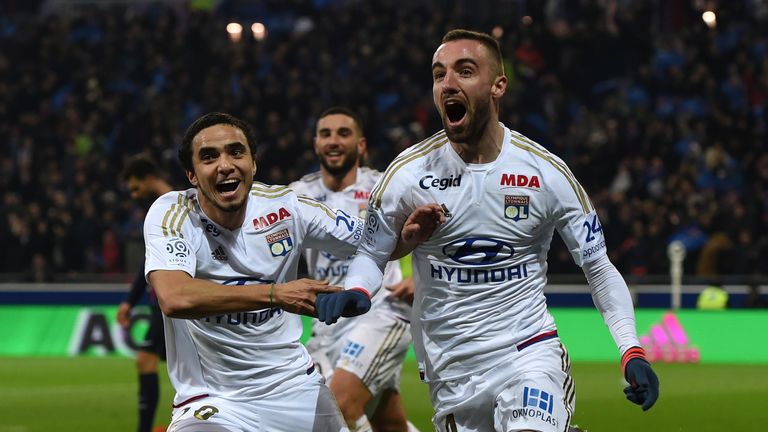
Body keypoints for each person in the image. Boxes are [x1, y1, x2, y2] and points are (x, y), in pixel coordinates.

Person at [343, 29, 660, 432]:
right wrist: (357, 291)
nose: (448, 84)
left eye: (465, 71)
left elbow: (597, 267)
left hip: (528, 351)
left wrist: (631, 350)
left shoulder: (546, 172)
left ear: (498, 85)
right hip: (451, 369)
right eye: (439, 75)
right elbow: (371, 253)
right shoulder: (407, 174)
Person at [143, 112, 426, 431]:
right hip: (215, 400)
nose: (224, 165)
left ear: (253, 164)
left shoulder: (287, 207)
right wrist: (277, 295)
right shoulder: (172, 213)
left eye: (236, 152)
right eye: (209, 157)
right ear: (192, 175)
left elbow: (374, 243)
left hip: (296, 389)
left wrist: (409, 236)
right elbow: (174, 296)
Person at [290, 107, 418, 432]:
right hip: (327, 322)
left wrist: (420, 277)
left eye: (343, 134)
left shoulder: (385, 187)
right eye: (326, 134)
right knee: (388, 422)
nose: (334, 141)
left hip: (380, 313)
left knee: (340, 406)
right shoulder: (296, 195)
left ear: (361, 145)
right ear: (315, 144)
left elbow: (435, 228)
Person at [116, 154, 173, 432]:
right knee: (147, 361)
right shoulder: (163, 206)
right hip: (162, 301)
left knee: (151, 361)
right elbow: (151, 261)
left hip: (173, 301)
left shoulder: (170, 207)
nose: (134, 195)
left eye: (136, 187)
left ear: (149, 178)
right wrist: (130, 300)